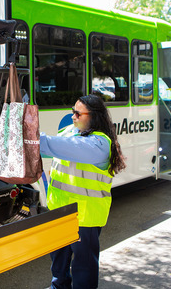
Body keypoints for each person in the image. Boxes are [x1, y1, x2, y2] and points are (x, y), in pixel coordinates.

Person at [40, 94, 126, 289]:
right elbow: (47, 150)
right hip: (60, 212)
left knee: (83, 270)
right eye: (72, 111)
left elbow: (62, 146)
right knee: (59, 267)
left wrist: (30, 138)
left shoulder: (100, 143)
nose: (73, 116)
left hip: (85, 217)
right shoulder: (69, 131)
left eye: (78, 113)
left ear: (94, 116)